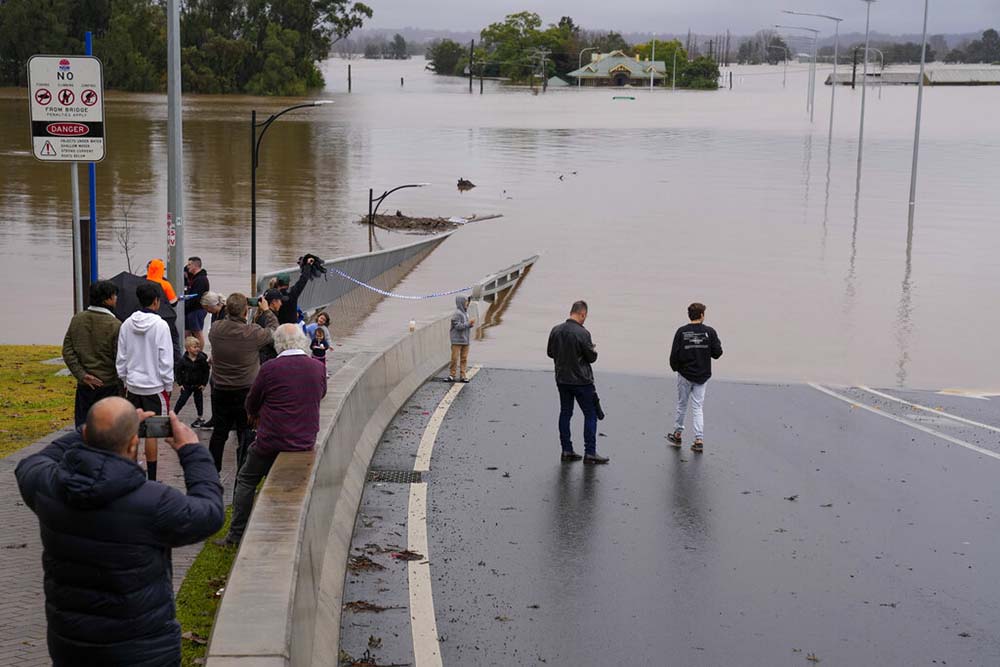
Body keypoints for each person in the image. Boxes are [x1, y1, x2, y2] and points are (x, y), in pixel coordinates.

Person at [14, 399, 223, 667]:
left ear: (86, 435)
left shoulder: (48, 487)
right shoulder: (154, 502)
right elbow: (210, 512)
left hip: (71, 647)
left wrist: (94, 429)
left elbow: (33, 461)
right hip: (141, 652)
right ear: (134, 443)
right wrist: (191, 450)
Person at [217, 325, 326, 546]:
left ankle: (236, 535)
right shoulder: (316, 367)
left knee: (247, 478)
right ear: (302, 342)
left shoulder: (269, 369)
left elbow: (252, 401)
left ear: (278, 344)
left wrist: (257, 413)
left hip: (272, 440)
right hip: (304, 440)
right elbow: (321, 393)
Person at [207, 293, 278, 472]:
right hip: (246, 391)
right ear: (246, 311)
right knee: (245, 433)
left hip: (220, 390)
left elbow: (224, 322)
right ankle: (243, 470)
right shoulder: (252, 333)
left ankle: (213, 470)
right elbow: (274, 331)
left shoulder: (215, 329)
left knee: (219, 432)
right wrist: (267, 311)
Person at [117, 282, 174, 481]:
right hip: (154, 386)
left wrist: (125, 379)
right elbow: (165, 358)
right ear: (157, 301)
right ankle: (151, 477)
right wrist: (168, 384)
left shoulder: (126, 324)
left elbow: (121, 356)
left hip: (132, 385)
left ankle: (131, 473)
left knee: (132, 431)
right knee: (152, 432)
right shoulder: (161, 325)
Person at [547, 300, 608, 464]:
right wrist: (592, 348)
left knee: (565, 413)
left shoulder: (556, 330)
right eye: (585, 316)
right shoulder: (583, 333)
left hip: (562, 379)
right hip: (582, 381)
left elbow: (550, 353)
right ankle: (590, 452)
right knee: (590, 414)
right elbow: (591, 358)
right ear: (582, 314)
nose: (584, 319)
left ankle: (566, 450)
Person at [62, 280, 122, 427]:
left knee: (83, 429)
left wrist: (82, 374)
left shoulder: (77, 319)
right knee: (107, 430)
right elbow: (120, 358)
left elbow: (67, 350)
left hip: (85, 386)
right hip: (108, 385)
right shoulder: (115, 325)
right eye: (114, 296)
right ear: (107, 299)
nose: (116, 299)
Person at [668, 302, 724, 453]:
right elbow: (717, 353)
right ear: (701, 315)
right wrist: (716, 342)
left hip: (685, 374)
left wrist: (676, 368)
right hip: (702, 375)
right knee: (697, 407)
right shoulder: (710, 332)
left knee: (682, 405)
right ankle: (698, 439)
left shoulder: (681, 332)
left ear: (689, 315)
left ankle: (678, 434)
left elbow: (674, 355)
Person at [174, 336, 210, 427]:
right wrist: (180, 383)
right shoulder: (183, 360)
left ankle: (200, 416)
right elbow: (178, 371)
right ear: (188, 349)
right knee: (182, 400)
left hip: (198, 385)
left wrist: (203, 383)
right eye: (194, 347)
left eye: (198, 347)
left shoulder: (202, 359)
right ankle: (174, 414)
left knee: (199, 400)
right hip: (187, 385)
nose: (197, 349)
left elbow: (206, 371)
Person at [274, 257, 315, 324]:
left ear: (277, 282)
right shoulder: (293, 292)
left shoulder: (272, 294)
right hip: (292, 328)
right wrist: (308, 265)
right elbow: (303, 279)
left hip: (278, 327)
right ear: (288, 283)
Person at [183, 256, 210, 348]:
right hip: (190, 310)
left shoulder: (201, 280)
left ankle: (200, 353)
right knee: (186, 332)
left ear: (195, 266)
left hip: (197, 310)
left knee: (197, 332)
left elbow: (196, 297)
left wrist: (187, 306)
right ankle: (189, 352)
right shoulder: (194, 278)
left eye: (189, 265)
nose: (188, 267)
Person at [448, 295, 475, 382]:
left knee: (464, 359)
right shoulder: (457, 314)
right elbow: (458, 326)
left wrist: (470, 325)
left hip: (465, 340)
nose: (467, 303)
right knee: (454, 359)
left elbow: (465, 326)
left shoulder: (465, 313)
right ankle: (452, 375)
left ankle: (463, 375)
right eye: (466, 302)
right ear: (461, 303)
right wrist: (468, 324)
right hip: (456, 340)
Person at [255, 289, 284, 365]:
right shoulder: (269, 318)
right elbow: (274, 339)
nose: (281, 303)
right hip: (267, 358)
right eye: (279, 301)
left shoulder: (260, 316)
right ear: (274, 302)